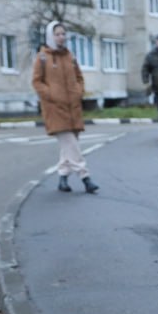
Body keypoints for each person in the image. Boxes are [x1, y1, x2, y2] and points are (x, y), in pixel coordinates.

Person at [33, 21, 99, 194]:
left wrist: (79, 91)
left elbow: (79, 77)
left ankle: (63, 178)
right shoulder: (42, 57)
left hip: (73, 107)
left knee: (69, 145)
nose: (61, 37)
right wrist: (51, 95)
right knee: (70, 143)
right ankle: (85, 177)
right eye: (58, 34)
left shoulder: (70, 56)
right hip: (55, 109)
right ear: (50, 36)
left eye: (63, 34)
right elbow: (37, 82)